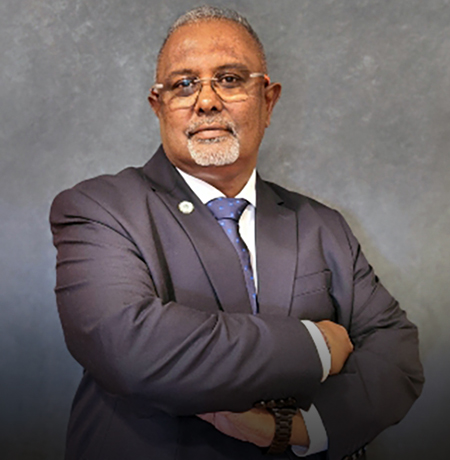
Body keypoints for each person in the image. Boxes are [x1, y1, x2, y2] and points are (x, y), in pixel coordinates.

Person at [50, 6, 424, 460]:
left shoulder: (322, 225)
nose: (206, 101)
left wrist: (297, 429)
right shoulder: (100, 208)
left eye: (229, 79)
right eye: (184, 84)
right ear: (158, 106)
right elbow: (129, 346)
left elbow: (396, 352)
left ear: (269, 101)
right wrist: (318, 346)